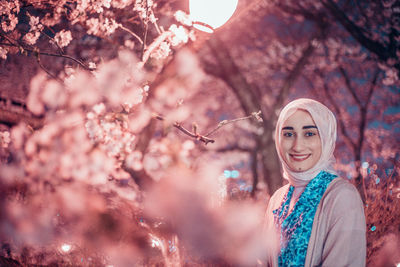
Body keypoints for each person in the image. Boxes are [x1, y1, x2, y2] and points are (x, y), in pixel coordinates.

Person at [264, 98, 366, 267]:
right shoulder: (277, 199)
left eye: (309, 133)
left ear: (325, 138)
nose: (297, 146)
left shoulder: (342, 197)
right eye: (288, 134)